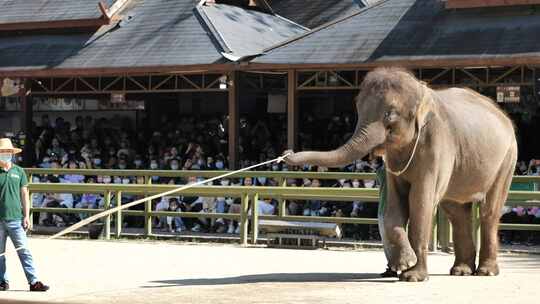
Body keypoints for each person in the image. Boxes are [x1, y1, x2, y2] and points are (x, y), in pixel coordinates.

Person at [0, 138, 49, 291]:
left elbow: (24, 195)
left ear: (12, 153)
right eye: (2, 152)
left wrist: (27, 216)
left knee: (24, 251)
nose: (5, 154)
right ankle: (2, 281)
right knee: (0, 255)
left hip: (15, 218)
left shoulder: (19, 171)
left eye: (8, 152)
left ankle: (34, 281)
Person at [376, 162, 398, 278]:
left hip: (393, 210)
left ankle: (396, 265)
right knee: (386, 240)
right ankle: (392, 265)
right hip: (384, 208)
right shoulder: (382, 169)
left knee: (390, 239)